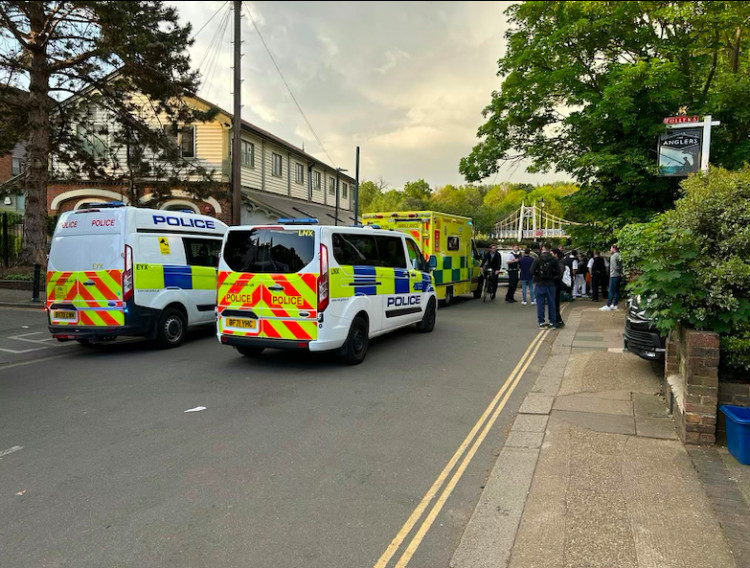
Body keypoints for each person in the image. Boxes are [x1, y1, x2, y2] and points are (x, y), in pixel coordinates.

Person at [530, 242, 559, 328]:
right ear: (550, 249)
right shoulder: (554, 260)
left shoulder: (538, 259)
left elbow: (531, 271)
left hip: (540, 284)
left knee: (540, 304)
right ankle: (552, 322)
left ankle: (541, 322)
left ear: (542, 248)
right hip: (550, 284)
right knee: (551, 303)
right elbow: (559, 272)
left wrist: (537, 275)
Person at [600, 244, 623, 310]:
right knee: (617, 291)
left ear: (614, 248)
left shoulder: (613, 256)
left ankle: (608, 305)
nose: (610, 250)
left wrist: (619, 272)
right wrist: (621, 272)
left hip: (613, 275)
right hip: (618, 276)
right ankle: (615, 304)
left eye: (611, 248)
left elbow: (615, 266)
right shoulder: (619, 255)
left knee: (611, 291)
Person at [552, 248, 569, 327]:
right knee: (555, 303)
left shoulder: (559, 263)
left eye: (551, 253)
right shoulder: (557, 262)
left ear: (556, 254)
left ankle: (558, 321)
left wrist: (553, 277)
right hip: (557, 284)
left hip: (557, 285)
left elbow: (560, 274)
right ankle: (557, 320)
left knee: (555, 303)